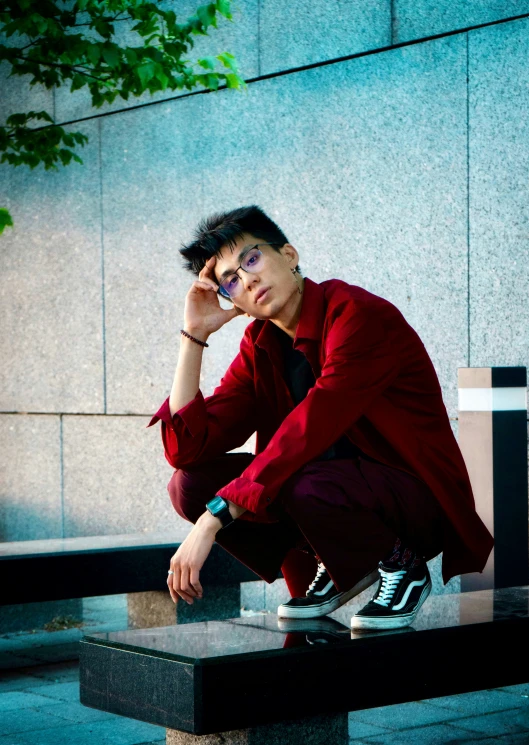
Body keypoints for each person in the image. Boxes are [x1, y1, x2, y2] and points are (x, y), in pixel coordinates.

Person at [148, 205, 494, 630]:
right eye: (231, 281)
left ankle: (404, 567)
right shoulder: (260, 344)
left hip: (411, 500)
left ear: (289, 255)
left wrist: (213, 520)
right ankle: (330, 559)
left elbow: (310, 428)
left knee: (300, 474)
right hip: (321, 494)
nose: (248, 279)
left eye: (251, 259)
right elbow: (187, 447)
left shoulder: (358, 316)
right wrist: (194, 335)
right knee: (190, 484)